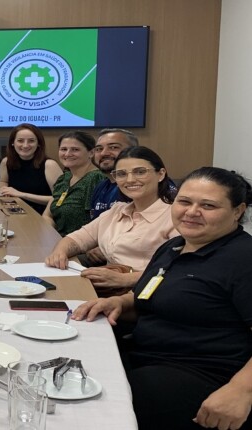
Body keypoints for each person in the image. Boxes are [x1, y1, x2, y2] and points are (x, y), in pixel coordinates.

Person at [73, 167, 252, 430]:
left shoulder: (243, 259)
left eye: (208, 205)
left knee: (105, 403)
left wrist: (241, 390)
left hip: (206, 373)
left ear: (237, 211)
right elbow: (149, 298)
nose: (192, 212)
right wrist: (120, 303)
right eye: (184, 201)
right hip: (148, 354)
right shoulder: (173, 247)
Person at [45, 147, 178, 296]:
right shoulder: (116, 211)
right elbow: (76, 238)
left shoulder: (175, 218)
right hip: (108, 290)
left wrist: (124, 279)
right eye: (121, 174)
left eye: (140, 172)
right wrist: (60, 252)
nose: (130, 180)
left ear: (160, 174)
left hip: (145, 295)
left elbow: (178, 271)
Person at [42, 131, 107, 236]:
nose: (67, 154)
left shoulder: (96, 179)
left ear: (91, 153)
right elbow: (48, 215)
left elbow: (100, 222)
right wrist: (52, 236)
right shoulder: (64, 178)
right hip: (57, 240)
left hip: (81, 246)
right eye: (63, 149)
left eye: (75, 150)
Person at [0, 123, 63, 214]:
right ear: (12, 142)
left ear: (38, 143)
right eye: (20, 140)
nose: (25, 145)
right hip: (15, 211)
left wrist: (21, 194)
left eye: (31, 141)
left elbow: (60, 199)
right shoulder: (6, 162)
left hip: (44, 215)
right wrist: (4, 189)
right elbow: (3, 181)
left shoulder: (50, 165)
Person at [90, 128, 140, 219]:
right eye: (99, 149)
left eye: (113, 147)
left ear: (133, 150)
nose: (103, 153)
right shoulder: (100, 187)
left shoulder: (144, 183)